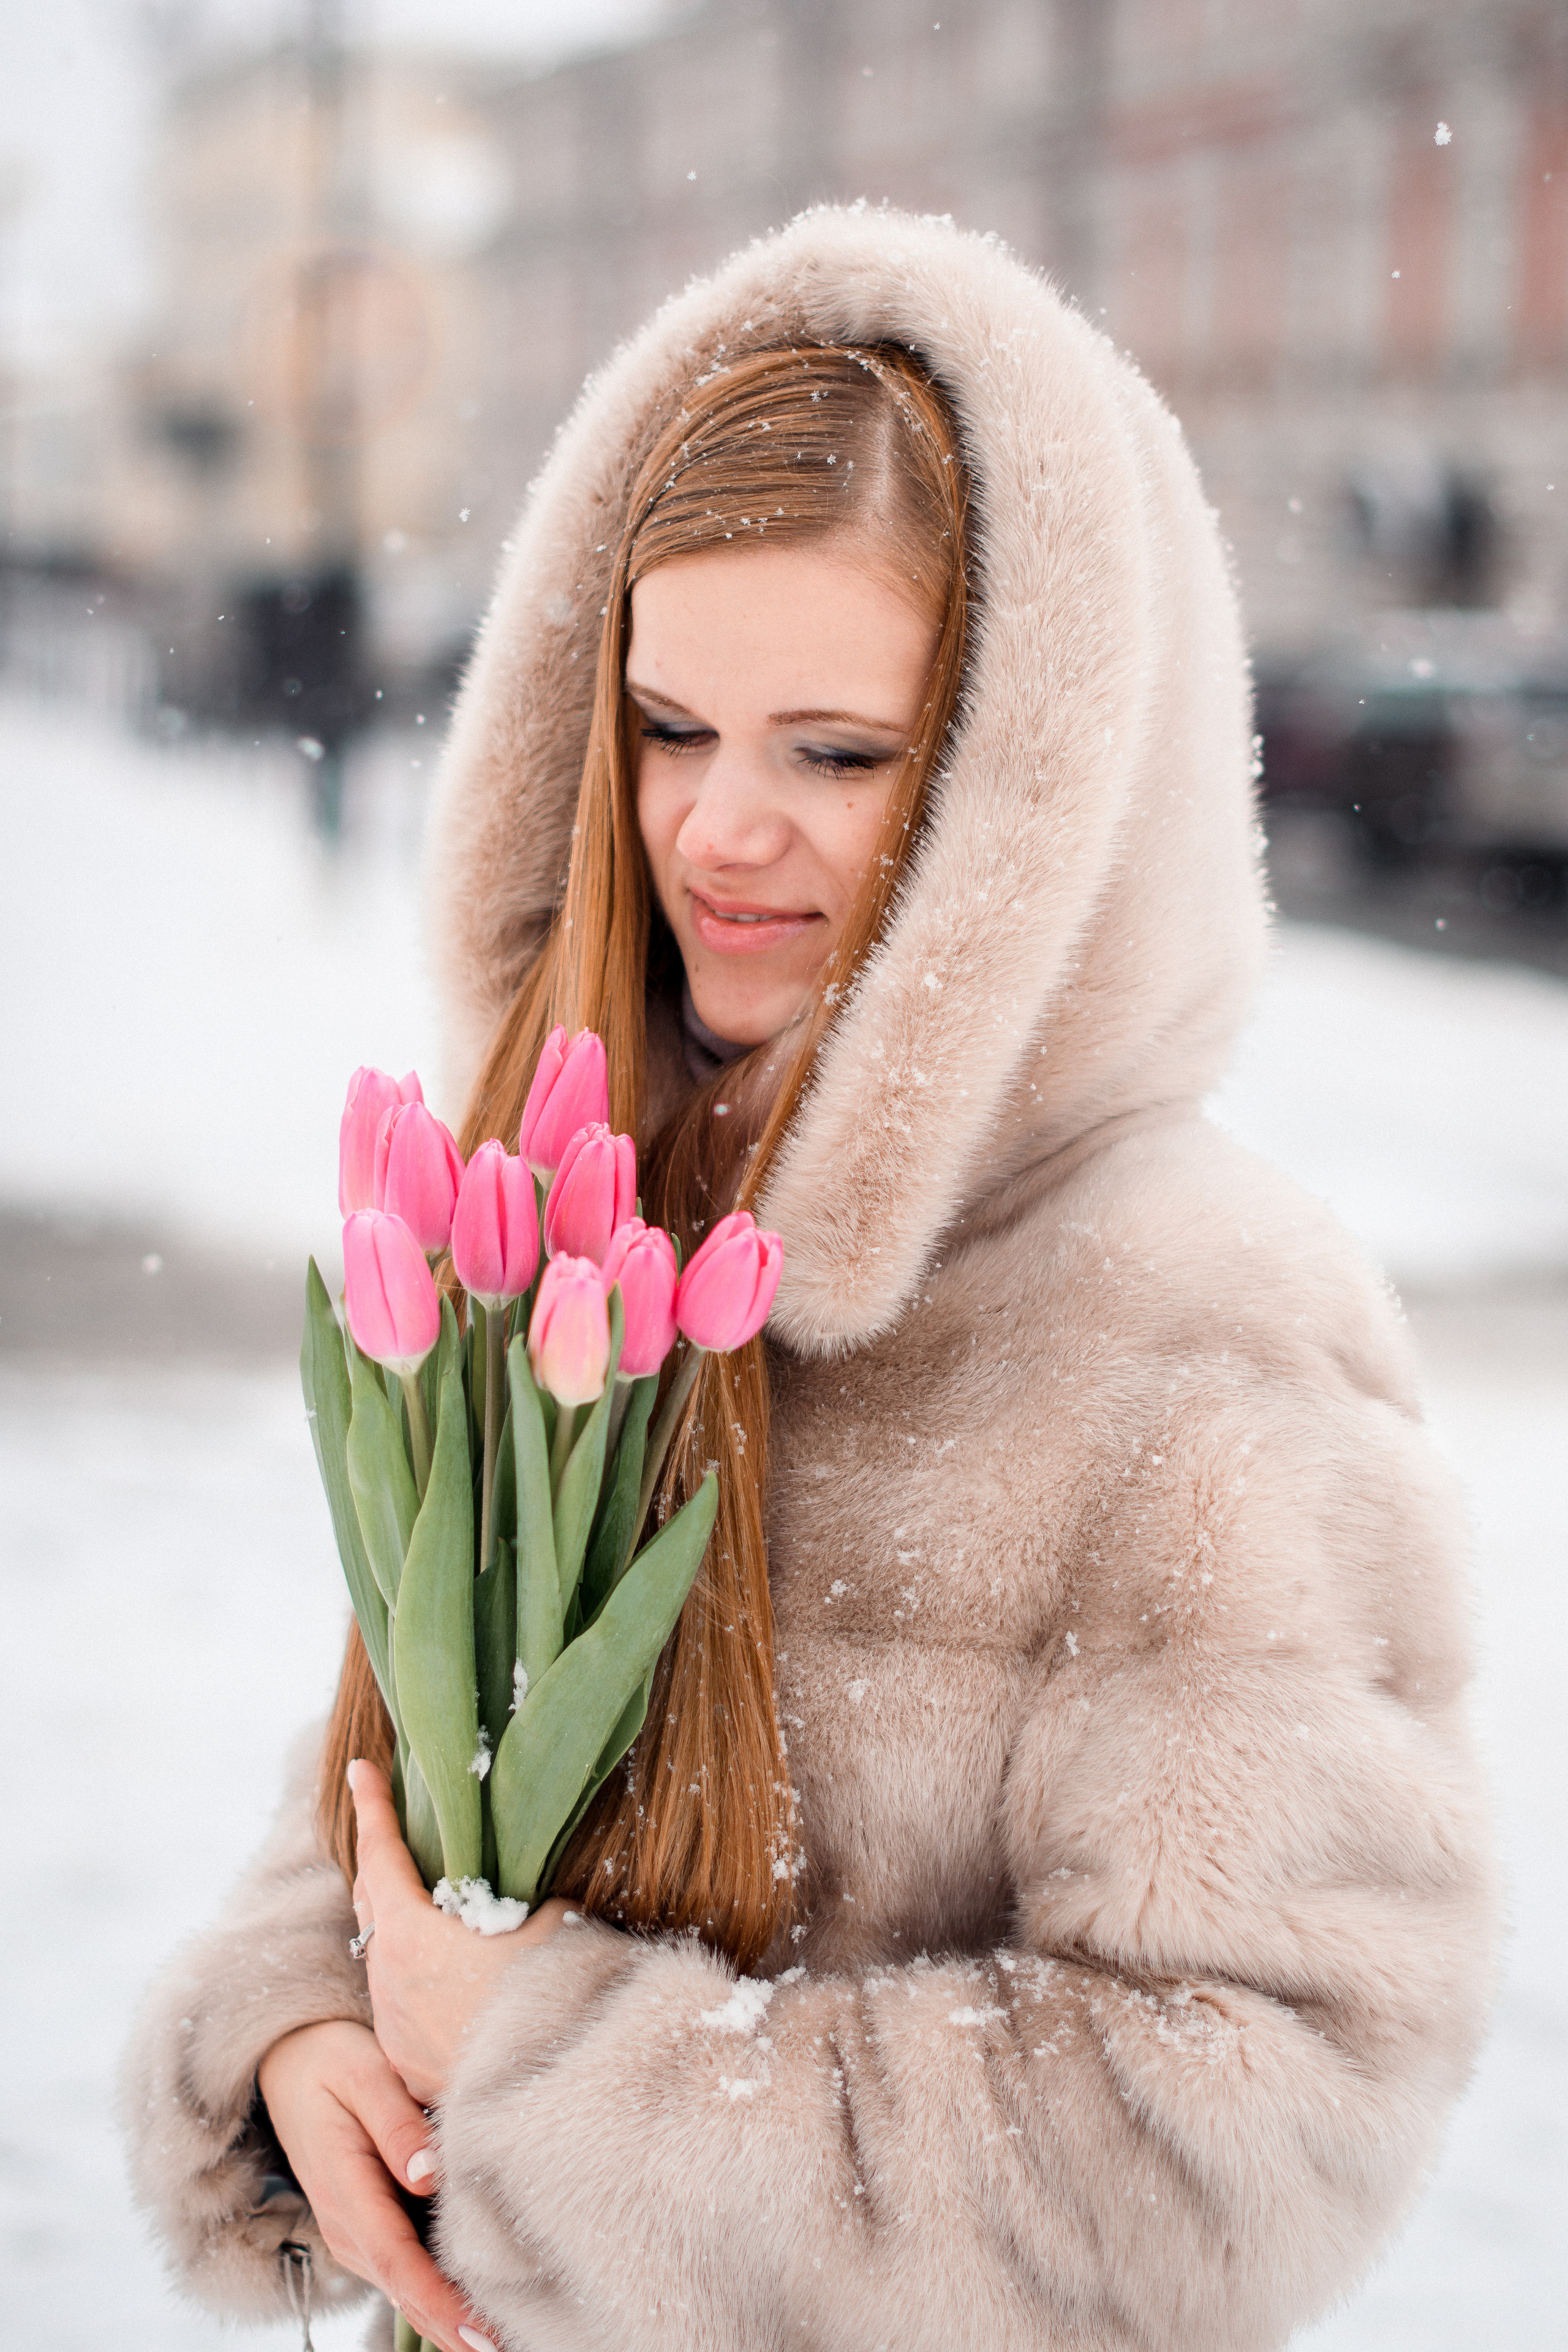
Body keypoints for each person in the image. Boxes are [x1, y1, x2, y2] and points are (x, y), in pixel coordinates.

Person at [123, 209, 1495, 2352]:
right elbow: (420, 1820)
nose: (718, 833)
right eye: (669, 729)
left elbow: (1262, 2120)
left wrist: (578, 2094)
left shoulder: (1197, 1327)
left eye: (833, 754)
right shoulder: (584, 1215)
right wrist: (305, 2027)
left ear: (1014, 802)